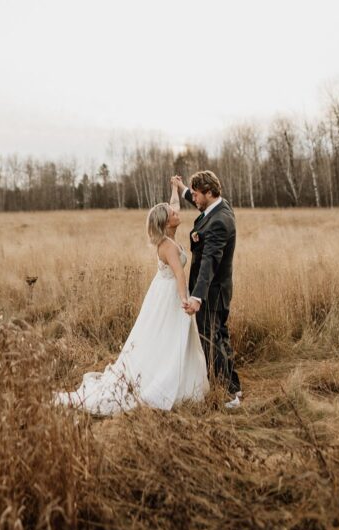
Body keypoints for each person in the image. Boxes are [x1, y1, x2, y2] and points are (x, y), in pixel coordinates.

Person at [53, 179, 208, 415]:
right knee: (168, 336)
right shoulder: (167, 246)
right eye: (172, 212)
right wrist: (184, 301)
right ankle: (164, 380)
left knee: (166, 336)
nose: (176, 211)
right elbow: (179, 275)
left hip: (161, 290)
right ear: (167, 222)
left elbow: (172, 203)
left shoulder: (168, 234)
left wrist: (175, 188)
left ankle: (180, 379)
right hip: (169, 294)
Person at [171, 170, 242, 408]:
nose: (194, 199)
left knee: (210, 341)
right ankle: (235, 387)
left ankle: (228, 396)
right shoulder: (216, 207)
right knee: (220, 337)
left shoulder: (220, 222)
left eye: (197, 194)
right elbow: (193, 196)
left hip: (212, 292)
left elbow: (209, 262)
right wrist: (180, 187)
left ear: (209, 193)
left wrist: (197, 297)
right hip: (216, 291)